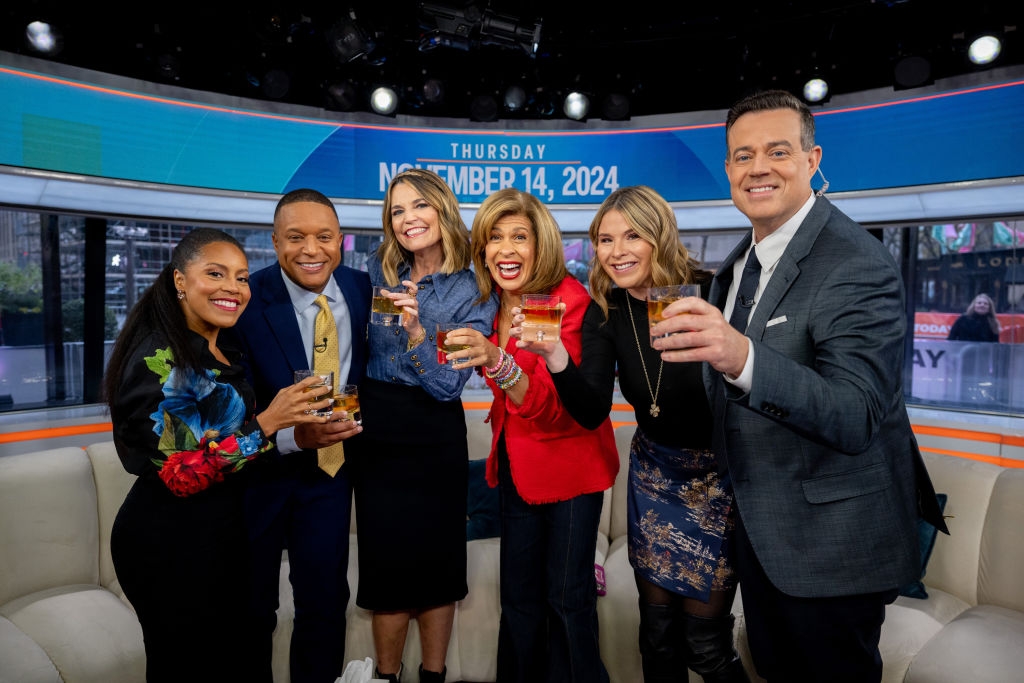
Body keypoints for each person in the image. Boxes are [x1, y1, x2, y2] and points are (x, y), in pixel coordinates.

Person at [650, 89, 948, 683]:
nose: (758, 167)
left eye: (777, 151)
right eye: (742, 156)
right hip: (764, 540)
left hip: (832, 551)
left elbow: (857, 411)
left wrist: (742, 356)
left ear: (812, 160)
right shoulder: (737, 266)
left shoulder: (855, 261)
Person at [517, 185, 749, 682]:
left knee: (704, 645)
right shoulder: (608, 309)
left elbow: (749, 386)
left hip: (717, 480)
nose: (617, 251)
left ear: (659, 237)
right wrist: (556, 357)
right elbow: (591, 410)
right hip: (655, 473)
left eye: (632, 236)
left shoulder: (713, 292)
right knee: (657, 637)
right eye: (605, 239)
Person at [104, 228, 334, 682]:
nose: (233, 288)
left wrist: (299, 439)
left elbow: (232, 450)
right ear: (180, 281)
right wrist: (268, 421)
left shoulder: (221, 347)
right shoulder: (157, 357)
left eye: (243, 277)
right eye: (216, 273)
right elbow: (180, 474)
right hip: (167, 540)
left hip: (224, 533)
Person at [450, 187, 619, 683]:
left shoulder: (569, 300)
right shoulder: (494, 304)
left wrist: (498, 362)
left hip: (570, 472)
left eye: (518, 236)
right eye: (493, 238)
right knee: (518, 602)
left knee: (567, 601)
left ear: (540, 243)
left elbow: (550, 408)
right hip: (516, 469)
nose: (505, 249)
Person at [347, 168, 498, 683]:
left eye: (418, 206)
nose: (408, 219)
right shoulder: (373, 268)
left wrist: (416, 329)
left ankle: (432, 675)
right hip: (378, 430)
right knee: (386, 563)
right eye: (396, 211)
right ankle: (386, 677)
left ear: (443, 209)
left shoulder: (476, 285)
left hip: (435, 430)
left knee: (437, 564)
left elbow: (447, 387)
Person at [227, 189, 371, 683]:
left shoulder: (361, 288)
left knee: (325, 603)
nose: (312, 249)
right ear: (274, 242)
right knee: (253, 610)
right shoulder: (245, 301)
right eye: (296, 237)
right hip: (258, 479)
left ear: (341, 241)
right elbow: (230, 410)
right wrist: (291, 439)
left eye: (324, 236)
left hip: (330, 476)